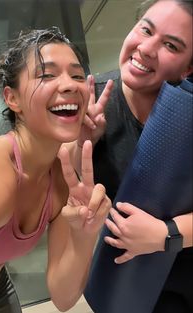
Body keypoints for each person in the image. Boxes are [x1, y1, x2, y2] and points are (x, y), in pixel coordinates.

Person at [0, 27, 112, 313]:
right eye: (47, 75)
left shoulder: (62, 181)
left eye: (77, 75)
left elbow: (64, 298)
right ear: (12, 98)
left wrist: (85, 233)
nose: (69, 85)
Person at [73, 0, 193, 312]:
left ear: (189, 67)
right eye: (145, 30)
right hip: (120, 287)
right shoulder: (90, 98)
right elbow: (69, 196)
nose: (146, 48)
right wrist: (82, 142)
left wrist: (166, 234)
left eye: (170, 44)